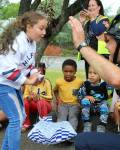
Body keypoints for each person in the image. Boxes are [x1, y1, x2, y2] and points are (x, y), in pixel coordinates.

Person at [69, 14, 120, 150]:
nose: (106, 47)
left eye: (108, 41)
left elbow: (117, 79)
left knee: (82, 141)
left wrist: (81, 45)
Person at [0, 11, 47, 150]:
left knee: (20, 118)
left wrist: (36, 75)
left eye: (45, 28)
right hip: (4, 85)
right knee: (16, 119)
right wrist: (29, 82)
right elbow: (7, 70)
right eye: (41, 28)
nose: (44, 32)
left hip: (13, 85)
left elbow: (29, 66)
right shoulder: (17, 41)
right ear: (29, 26)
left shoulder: (31, 42)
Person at [79, 0, 109, 78]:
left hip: (100, 55)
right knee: (89, 79)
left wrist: (92, 18)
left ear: (99, 7)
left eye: (93, 5)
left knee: (100, 79)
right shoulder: (87, 22)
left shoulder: (104, 19)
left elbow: (97, 32)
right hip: (88, 54)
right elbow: (80, 36)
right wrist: (81, 22)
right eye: (89, 6)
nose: (90, 7)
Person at [22, 62, 53, 131]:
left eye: (41, 73)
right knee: (25, 102)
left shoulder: (46, 82)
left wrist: (40, 97)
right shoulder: (29, 83)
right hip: (33, 105)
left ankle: (44, 124)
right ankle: (26, 123)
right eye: (37, 74)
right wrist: (29, 97)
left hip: (45, 105)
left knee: (41, 102)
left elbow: (50, 97)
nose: (39, 76)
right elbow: (25, 96)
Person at [53, 59, 83, 131]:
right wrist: (58, 99)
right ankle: (60, 134)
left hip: (75, 104)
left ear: (75, 71)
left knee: (72, 117)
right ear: (62, 71)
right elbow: (55, 90)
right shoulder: (59, 81)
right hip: (63, 104)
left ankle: (71, 135)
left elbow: (83, 93)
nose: (68, 74)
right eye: (66, 71)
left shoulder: (79, 82)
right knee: (61, 117)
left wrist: (80, 102)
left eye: (71, 71)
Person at [77, 66, 108, 132]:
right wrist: (87, 96)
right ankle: (87, 123)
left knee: (104, 107)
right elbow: (79, 96)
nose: (92, 75)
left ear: (100, 76)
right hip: (89, 106)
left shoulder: (103, 85)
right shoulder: (85, 84)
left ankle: (102, 125)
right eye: (90, 73)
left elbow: (107, 96)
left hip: (100, 105)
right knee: (85, 101)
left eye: (95, 73)